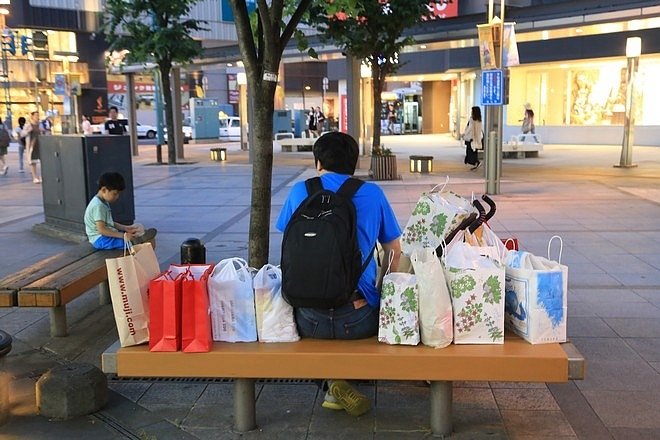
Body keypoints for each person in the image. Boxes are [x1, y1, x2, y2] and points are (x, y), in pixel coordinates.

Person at [276, 132, 402, 417]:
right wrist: (384, 293)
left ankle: (333, 382)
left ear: (318, 162)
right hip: (358, 318)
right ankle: (338, 381)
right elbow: (394, 249)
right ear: (354, 164)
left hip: (309, 318)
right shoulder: (372, 194)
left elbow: (289, 238)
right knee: (366, 309)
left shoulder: (300, 191)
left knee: (311, 332)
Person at [84, 172, 156, 250]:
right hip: (100, 240)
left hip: (104, 237)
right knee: (132, 242)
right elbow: (102, 230)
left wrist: (125, 228)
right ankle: (138, 247)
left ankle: (140, 243)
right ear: (104, 190)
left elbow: (109, 222)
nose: (117, 197)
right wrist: (123, 236)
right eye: (115, 194)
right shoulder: (98, 206)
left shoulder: (102, 202)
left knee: (137, 238)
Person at [23, 111, 42, 183]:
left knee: (41, 161)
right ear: (32, 117)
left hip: (39, 145)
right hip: (32, 146)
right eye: (36, 115)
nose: (37, 117)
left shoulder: (40, 125)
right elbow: (22, 134)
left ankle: (40, 176)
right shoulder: (29, 125)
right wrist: (28, 131)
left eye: (38, 115)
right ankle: (35, 177)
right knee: (33, 162)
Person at [462, 106, 482, 170]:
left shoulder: (472, 119)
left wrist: (464, 133)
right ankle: (475, 162)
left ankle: (475, 162)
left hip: (471, 138)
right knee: (474, 151)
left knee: (469, 151)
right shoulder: (479, 120)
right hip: (476, 139)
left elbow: (469, 128)